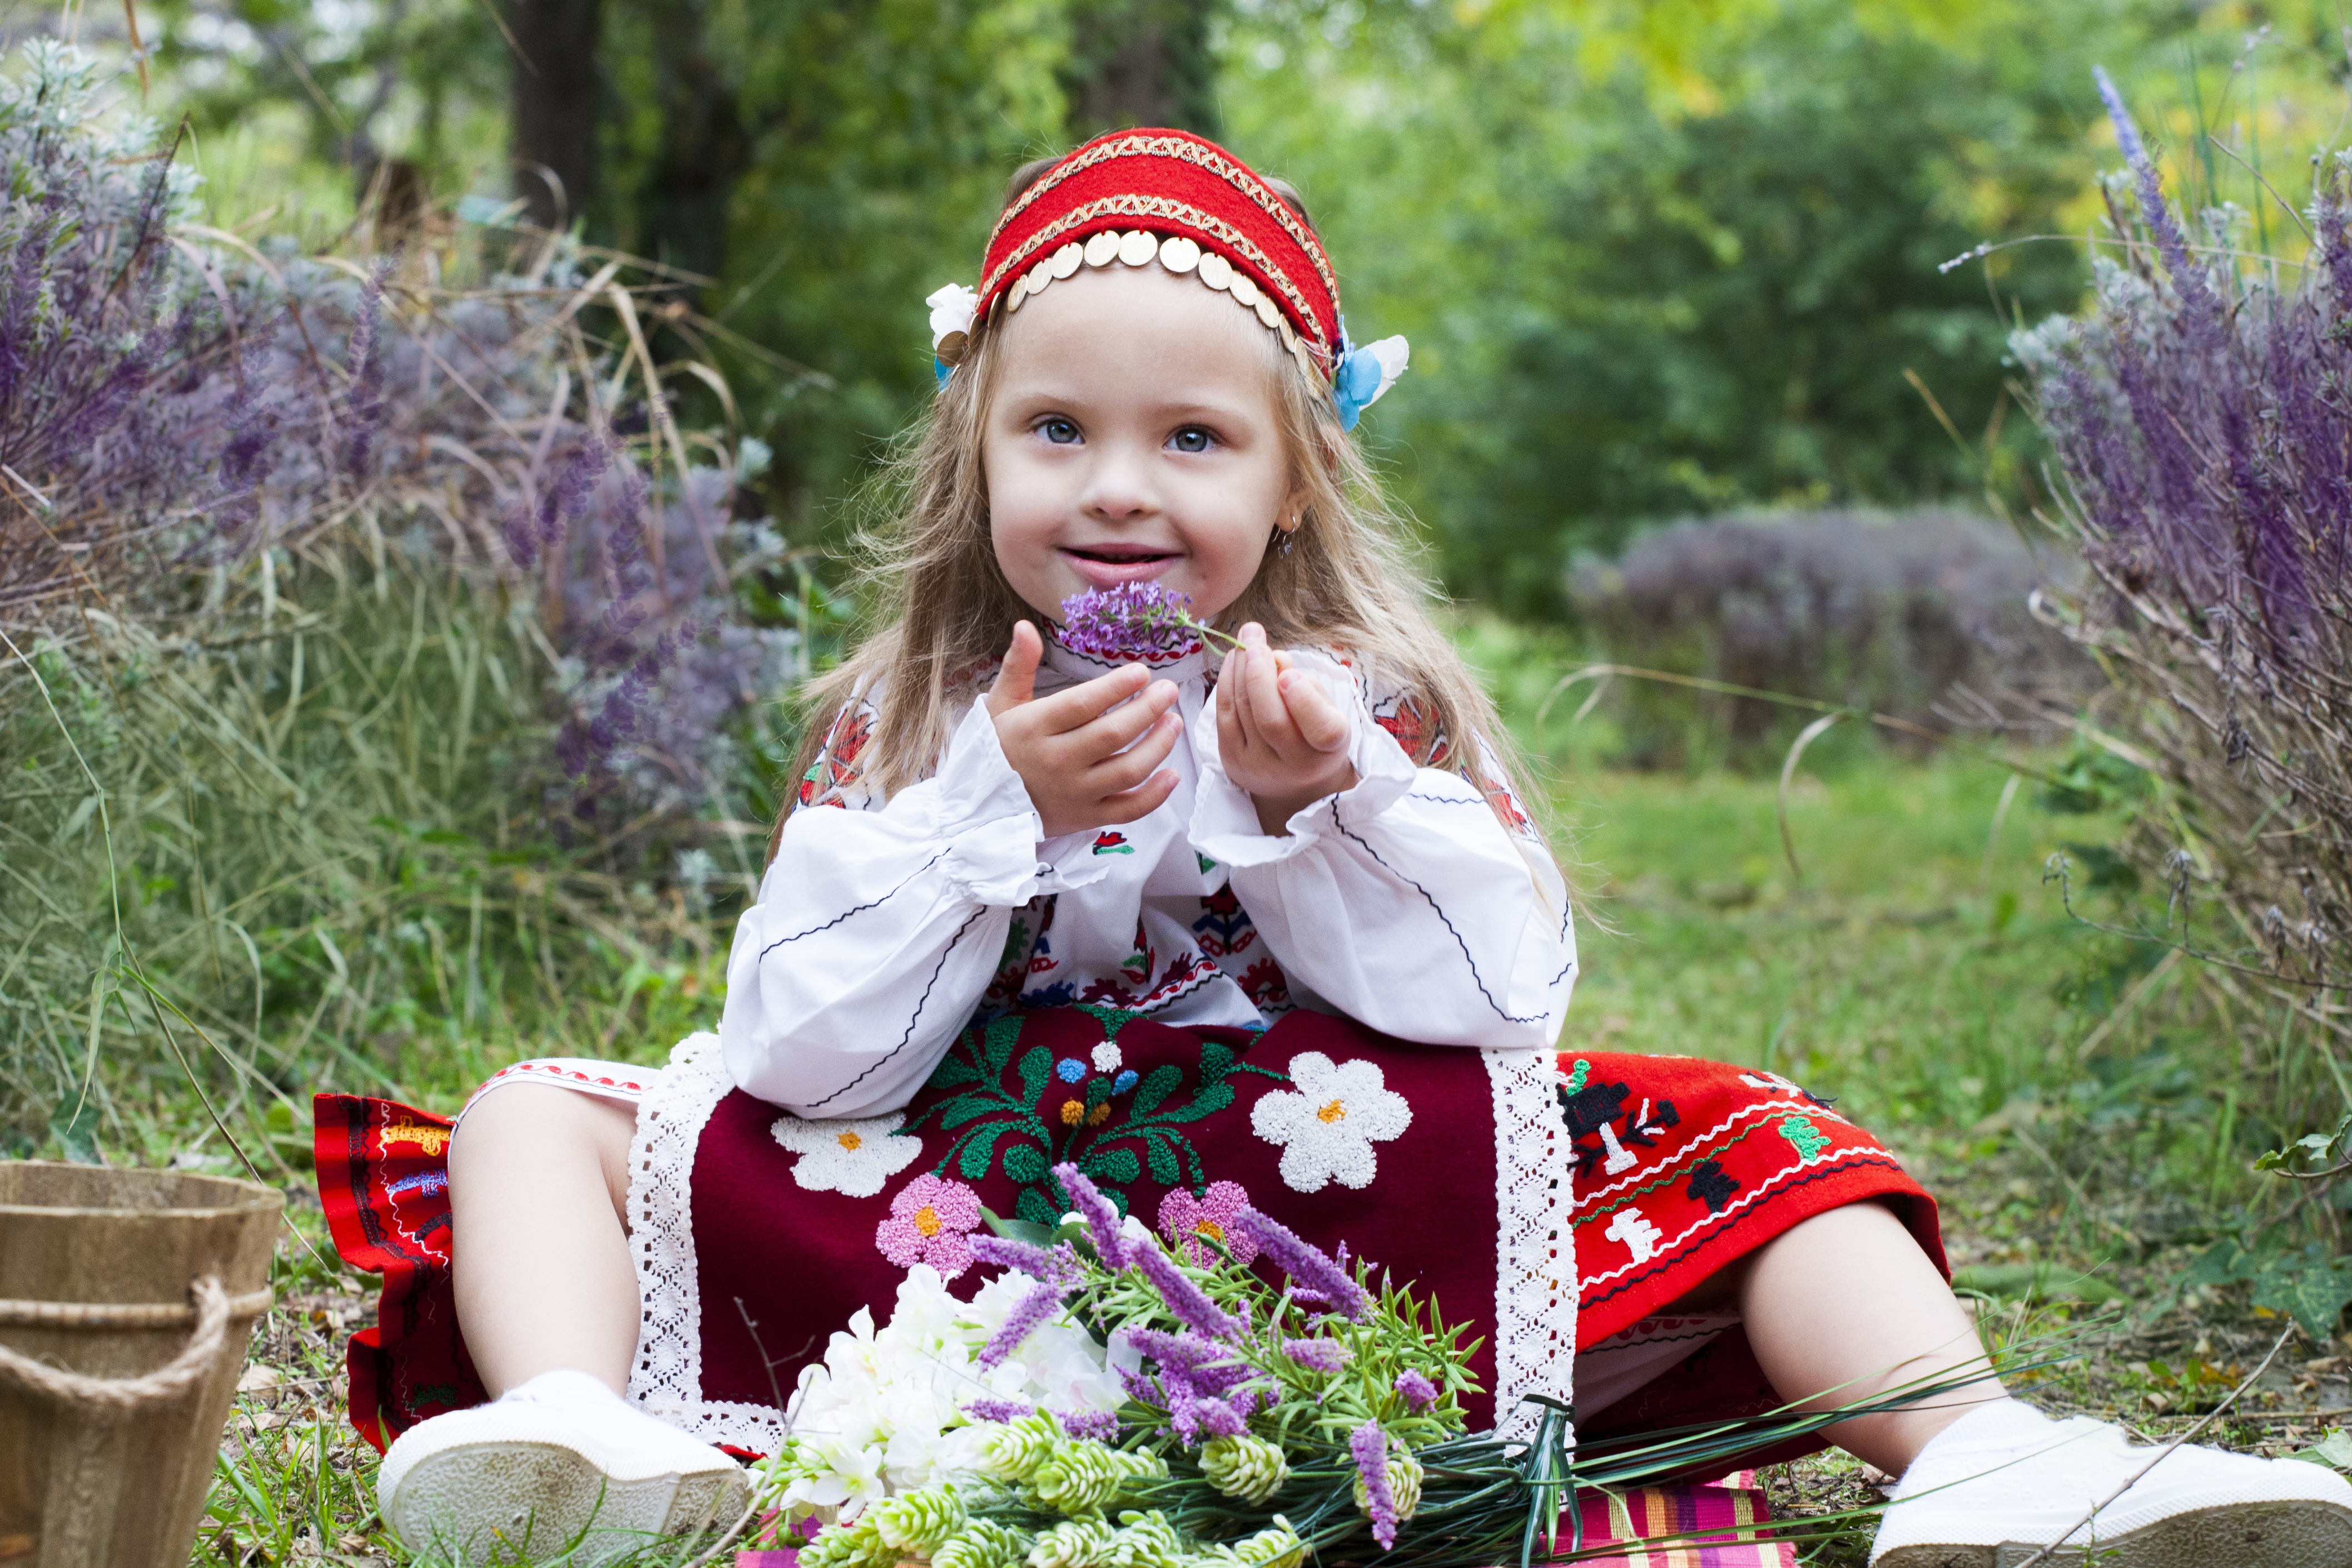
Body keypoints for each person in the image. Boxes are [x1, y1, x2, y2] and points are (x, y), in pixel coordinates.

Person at [315, 129, 2352, 1568]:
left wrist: (1325, 819)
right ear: (977, 449)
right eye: (1059, 433)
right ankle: (585, 1430)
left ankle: (1980, 1450)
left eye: (1192, 441)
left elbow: (1500, 1005)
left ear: (1294, 482)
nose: (1120, 490)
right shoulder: (915, 706)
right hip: (957, 1202)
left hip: (1325, 1181)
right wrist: (986, 821)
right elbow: (798, 1052)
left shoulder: (1369, 700)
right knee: (529, 1118)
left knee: (1753, 1143)